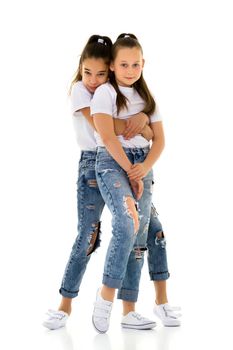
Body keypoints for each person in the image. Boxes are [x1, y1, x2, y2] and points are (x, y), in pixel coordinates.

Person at [42, 34, 157, 331]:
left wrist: (143, 118)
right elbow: (104, 127)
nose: (92, 80)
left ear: (111, 72)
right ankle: (65, 305)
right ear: (80, 68)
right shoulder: (80, 91)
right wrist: (141, 121)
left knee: (140, 229)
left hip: (123, 162)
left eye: (101, 74)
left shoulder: (113, 90)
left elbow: (135, 132)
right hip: (94, 166)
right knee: (88, 236)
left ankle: (131, 307)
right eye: (87, 72)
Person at [91, 33, 181, 334]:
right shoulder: (105, 92)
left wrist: (143, 167)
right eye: (124, 64)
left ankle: (130, 310)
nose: (130, 70)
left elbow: (161, 140)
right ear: (113, 66)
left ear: (144, 64)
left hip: (141, 165)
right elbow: (106, 136)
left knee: (145, 235)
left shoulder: (148, 99)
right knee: (128, 223)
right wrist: (131, 169)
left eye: (136, 64)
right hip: (112, 162)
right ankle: (105, 297)